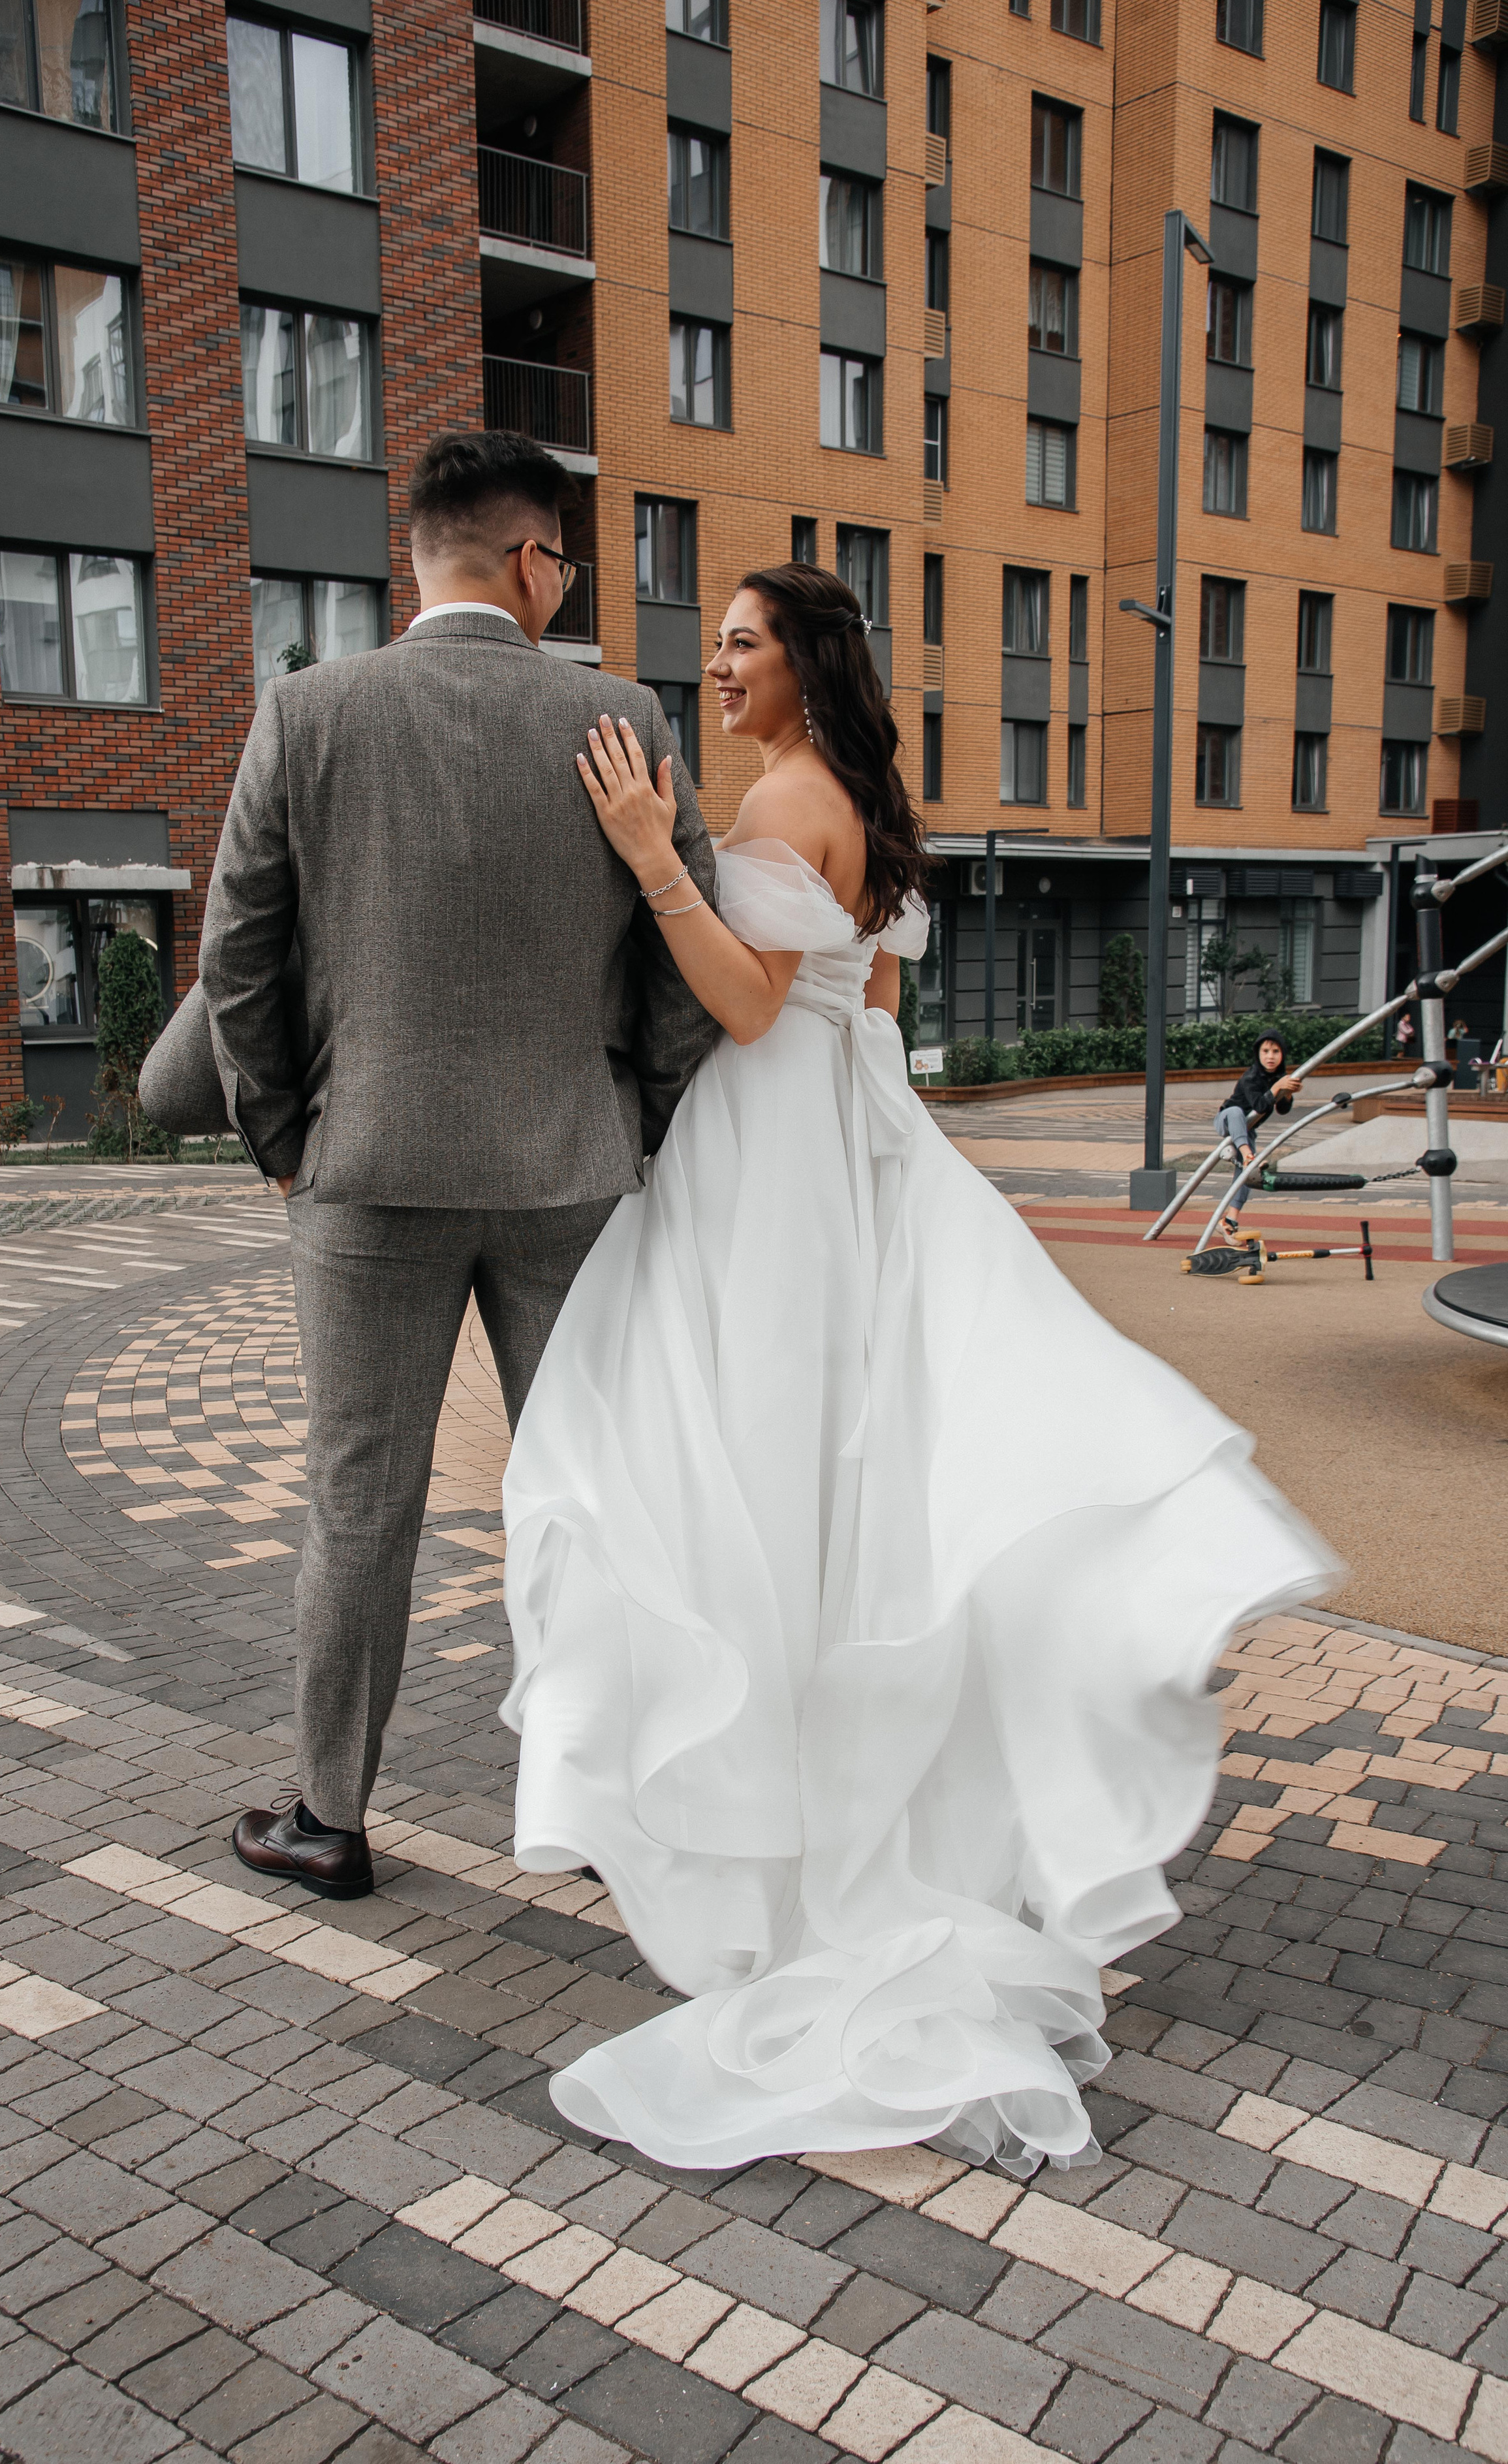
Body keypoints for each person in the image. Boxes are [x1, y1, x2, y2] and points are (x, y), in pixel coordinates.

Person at [499, 563, 1336, 2176]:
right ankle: (813, 1817)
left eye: (740, 642)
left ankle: (778, 1850)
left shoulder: (772, 809)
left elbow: (748, 1010)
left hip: (763, 1162)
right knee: (814, 1476)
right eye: (721, 641)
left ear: (803, 664)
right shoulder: (854, 802)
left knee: (724, 1468)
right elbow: (864, 1007)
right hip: (831, 1155)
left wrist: (644, 857)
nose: (718, 663)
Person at [166, 431, 718, 1901]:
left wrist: (285, 1138)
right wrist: (638, 1116)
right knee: (589, 1497)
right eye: (567, 560)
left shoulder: (307, 711)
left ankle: (329, 1818)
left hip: (365, 1174)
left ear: (418, 556)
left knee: (361, 1505)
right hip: (568, 1175)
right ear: (534, 558)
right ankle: (601, 1816)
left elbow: (236, 960)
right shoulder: (622, 719)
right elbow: (682, 961)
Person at [1213, 1029, 1304, 1237]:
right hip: (1227, 1121)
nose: (1270, 1056)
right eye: (1265, 1051)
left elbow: (1282, 1110)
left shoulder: (1280, 1078)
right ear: (1258, 1054)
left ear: (1282, 1055)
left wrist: (1287, 1094)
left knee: (1246, 1175)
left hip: (1247, 1131)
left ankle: (1230, 1220)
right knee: (1236, 1111)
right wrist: (1277, 1088)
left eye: (1275, 1051)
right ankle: (1248, 1156)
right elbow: (1260, 1105)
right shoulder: (1251, 1077)